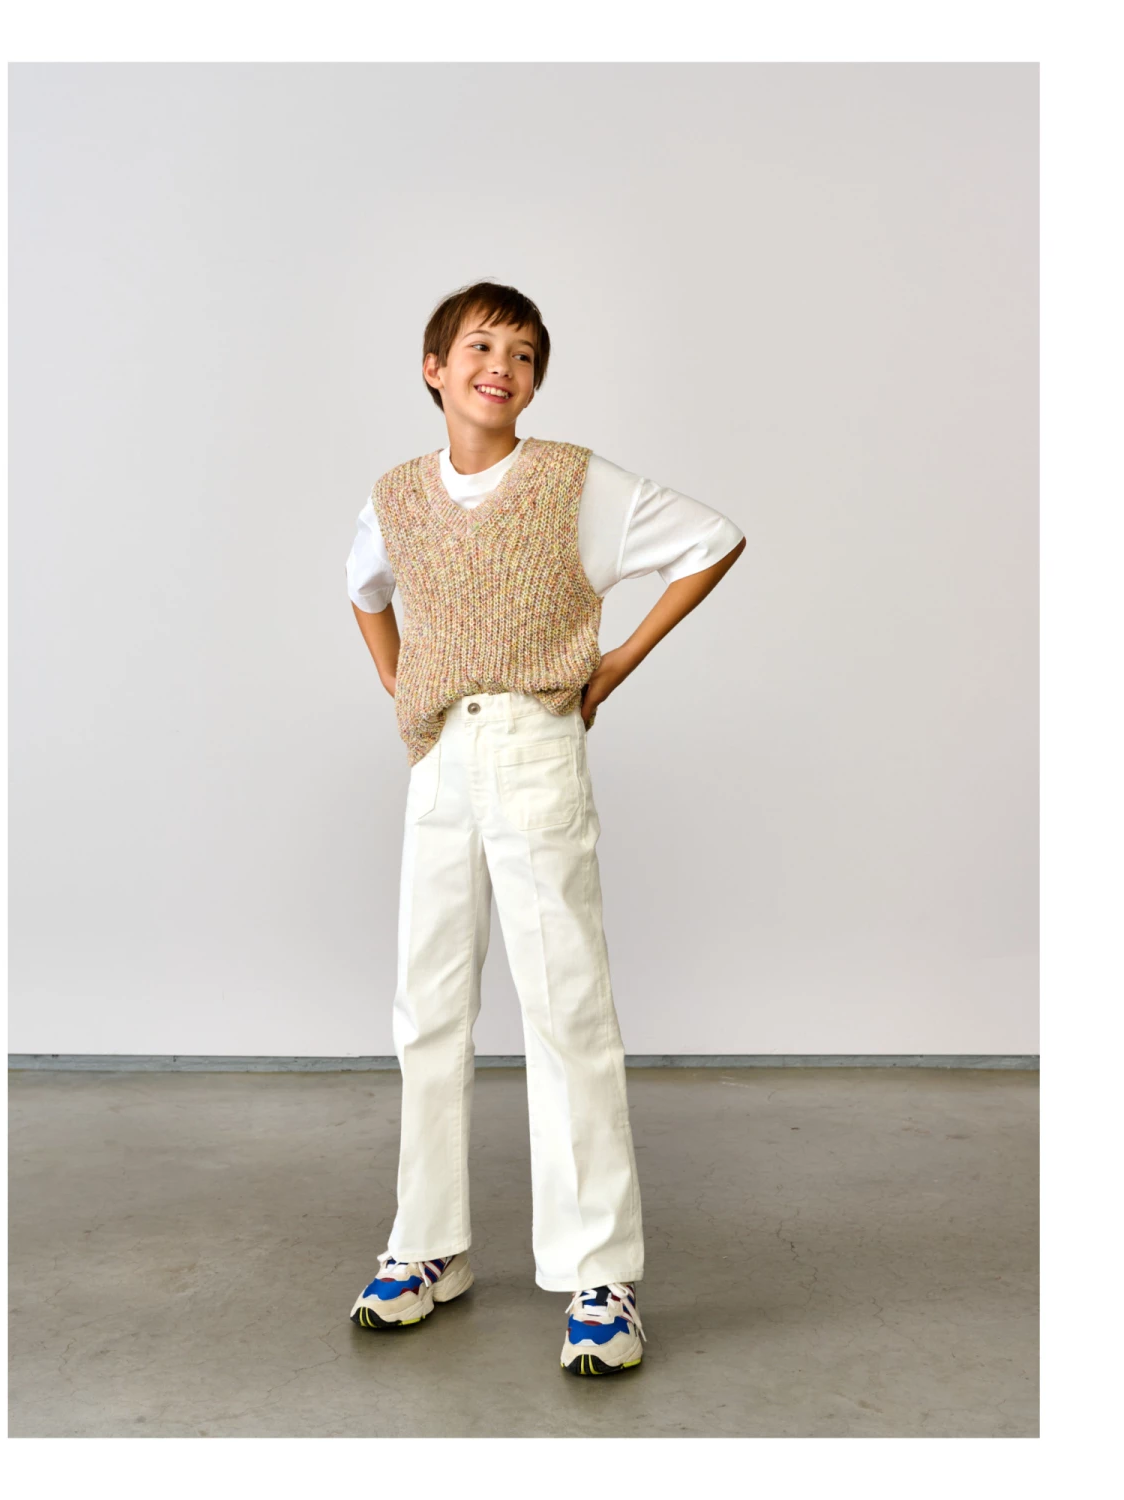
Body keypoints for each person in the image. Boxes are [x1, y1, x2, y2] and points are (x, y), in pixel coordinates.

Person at [344, 281, 746, 1376]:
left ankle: (598, 1276)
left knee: (566, 1007)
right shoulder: (396, 494)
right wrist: (401, 687)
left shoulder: (573, 482)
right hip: (440, 759)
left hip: (534, 745)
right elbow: (366, 589)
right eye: (481, 347)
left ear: (534, 382)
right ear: (434, 368)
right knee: (427, 1007)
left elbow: (712, 540)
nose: (501, 367)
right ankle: (426, 1247)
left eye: (523, 355)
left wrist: (617, 661)